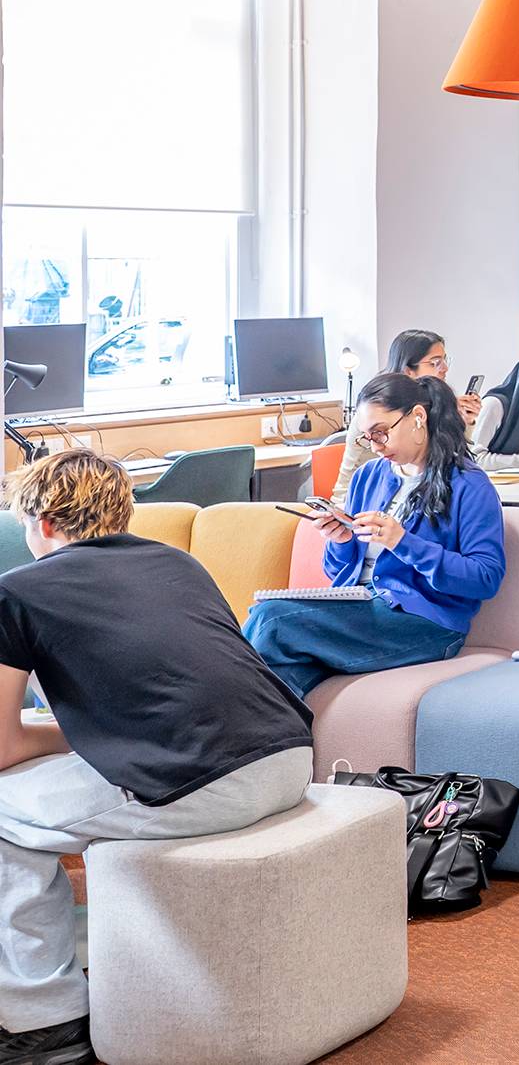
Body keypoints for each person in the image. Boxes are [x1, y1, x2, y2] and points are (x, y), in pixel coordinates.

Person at [0, 453, 316, 1063]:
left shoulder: (17, 590)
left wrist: (67, 734)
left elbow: (5, 746)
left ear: (39, 522)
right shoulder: (179, 563)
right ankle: (96, 957)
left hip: (200, 784)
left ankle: (44, 1021)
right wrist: (88, 729)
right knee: (62, 793)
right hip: (287, 759)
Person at [244, 372, 507, 702]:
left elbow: (485, 578)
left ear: (417, 418)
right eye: (367, 438)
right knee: (278, 670)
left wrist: (402, 542)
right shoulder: (369, 476)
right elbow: (338, 570)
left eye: (381, 433)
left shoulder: (470, 485)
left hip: (426, 623)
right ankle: (271, 751)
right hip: (359, 604)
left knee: (272, 621)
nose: (375, 445)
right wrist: (340, 540)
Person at [331, 329, 483, 496]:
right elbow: (345, 484)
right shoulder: (371, 415)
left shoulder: (440, 408)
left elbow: (457, 461)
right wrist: (343, 515)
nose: (444, 368)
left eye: (445, 361)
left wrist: (465, 421)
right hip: (375, 496)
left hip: (432, 493)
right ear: (408, 370)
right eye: (435, 362)